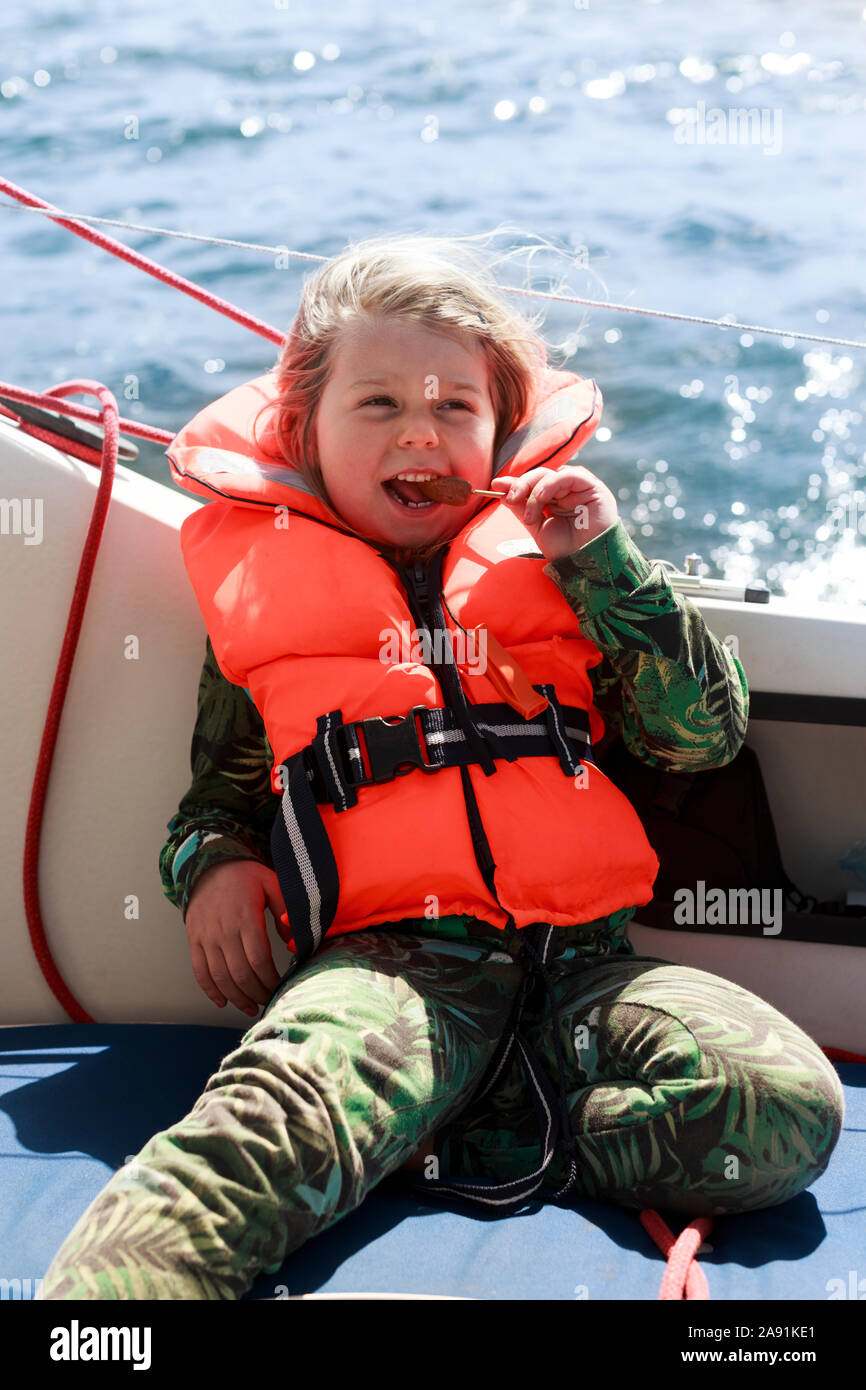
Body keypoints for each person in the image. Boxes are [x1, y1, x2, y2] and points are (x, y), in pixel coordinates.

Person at [40, 233, 844, 1300]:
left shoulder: (557, 570)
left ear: (498, 428)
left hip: (582, 977)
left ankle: (478, 1137)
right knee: (236, 1157)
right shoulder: (268, 605)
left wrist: (608, 566)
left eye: (454, 408)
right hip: (390, 977)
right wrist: (215, 866)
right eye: (377, 405)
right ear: (303, 429)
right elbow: (213, 802)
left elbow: (696, 736)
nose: (420, 430)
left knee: (788, 1110)